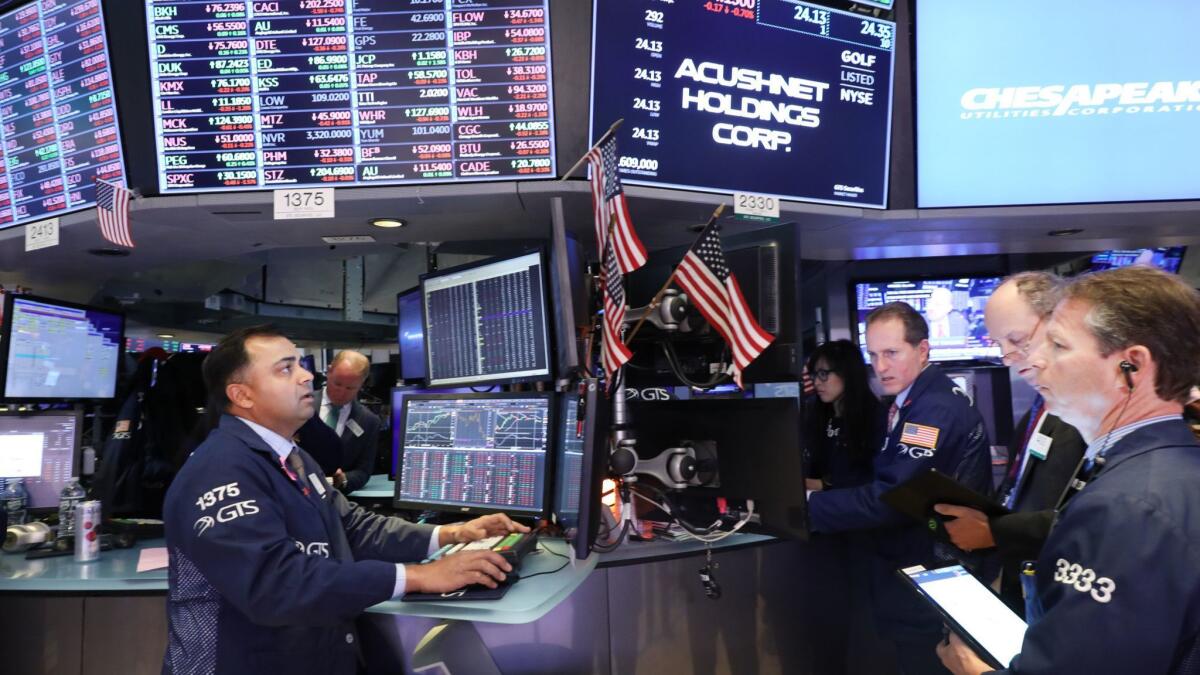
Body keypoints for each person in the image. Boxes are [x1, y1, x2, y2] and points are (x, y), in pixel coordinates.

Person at [162, 325, 530, 675]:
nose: (307, 377)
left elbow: (351, 525)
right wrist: (417, 576)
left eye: (301, 365)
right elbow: (275, 584)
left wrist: (450, 534)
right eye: (285, 370)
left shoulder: (293, 457)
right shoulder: (221, 470)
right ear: (242, 395)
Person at [937, 266, 1200, 674]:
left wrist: (976, 672)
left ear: (1130, 366)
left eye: (1058, 345)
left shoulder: (1127, 508)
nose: (1036, 359)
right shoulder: (1173, 466)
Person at [808, 302, 992, 675]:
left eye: (892, 353)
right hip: (922, 567)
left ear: (922, 350)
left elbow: (892, 498)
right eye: (874, 355)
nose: (881, 366)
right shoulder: (912, 403)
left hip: (933, 570)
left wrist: (809, 504)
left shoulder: (933, 409)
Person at [932, 272, 1086, 613]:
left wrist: (999, 531)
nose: (1010, 359)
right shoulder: (1041, 406)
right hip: (1027, 579)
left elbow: (1095, 521)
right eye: (1000, 346)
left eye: (1017, 340)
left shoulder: (1092, 412)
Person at [803, 339, 882, 491]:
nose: (817, 382)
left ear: (847, 373)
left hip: (852, 506)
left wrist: (824, 484)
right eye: (814, 375)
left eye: (823, 374)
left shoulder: (874, 417)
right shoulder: (815, 412)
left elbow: (871, 478)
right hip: (818, 505)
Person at [309, 350, 380, 493]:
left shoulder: (369, 421)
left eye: (350, 388)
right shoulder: (301, 404)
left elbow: (363, 471)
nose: (341, 392)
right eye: (337, 383)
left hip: (337, 500)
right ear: (329, 372)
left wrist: (344, 479)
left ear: (362, 383)